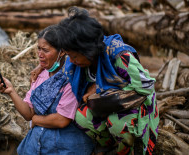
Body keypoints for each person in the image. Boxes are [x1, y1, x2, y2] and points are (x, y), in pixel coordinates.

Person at [31, 7, 159, 155]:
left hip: (133, 104)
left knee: (117, 123)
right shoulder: (76, 61)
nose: (71, 61)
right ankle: (108, 144)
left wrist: (103, 89)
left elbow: (146, 87)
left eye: (75, 56)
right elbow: (63, 61)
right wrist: (41, 66)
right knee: (81, 117)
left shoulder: (120, 56)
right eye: (69, 55)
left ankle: (126, 150)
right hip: (106, 104)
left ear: (89, 51)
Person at [0, 25, 94, 155]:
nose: (40, 55)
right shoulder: (40, 75)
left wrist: (36, 120)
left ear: (62, 51)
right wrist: (11, 91)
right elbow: (28, 114)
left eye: (45, 50)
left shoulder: (72, 79)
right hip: (36, 145)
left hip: (65, 147)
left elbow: (61, 120)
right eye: (38, 49)